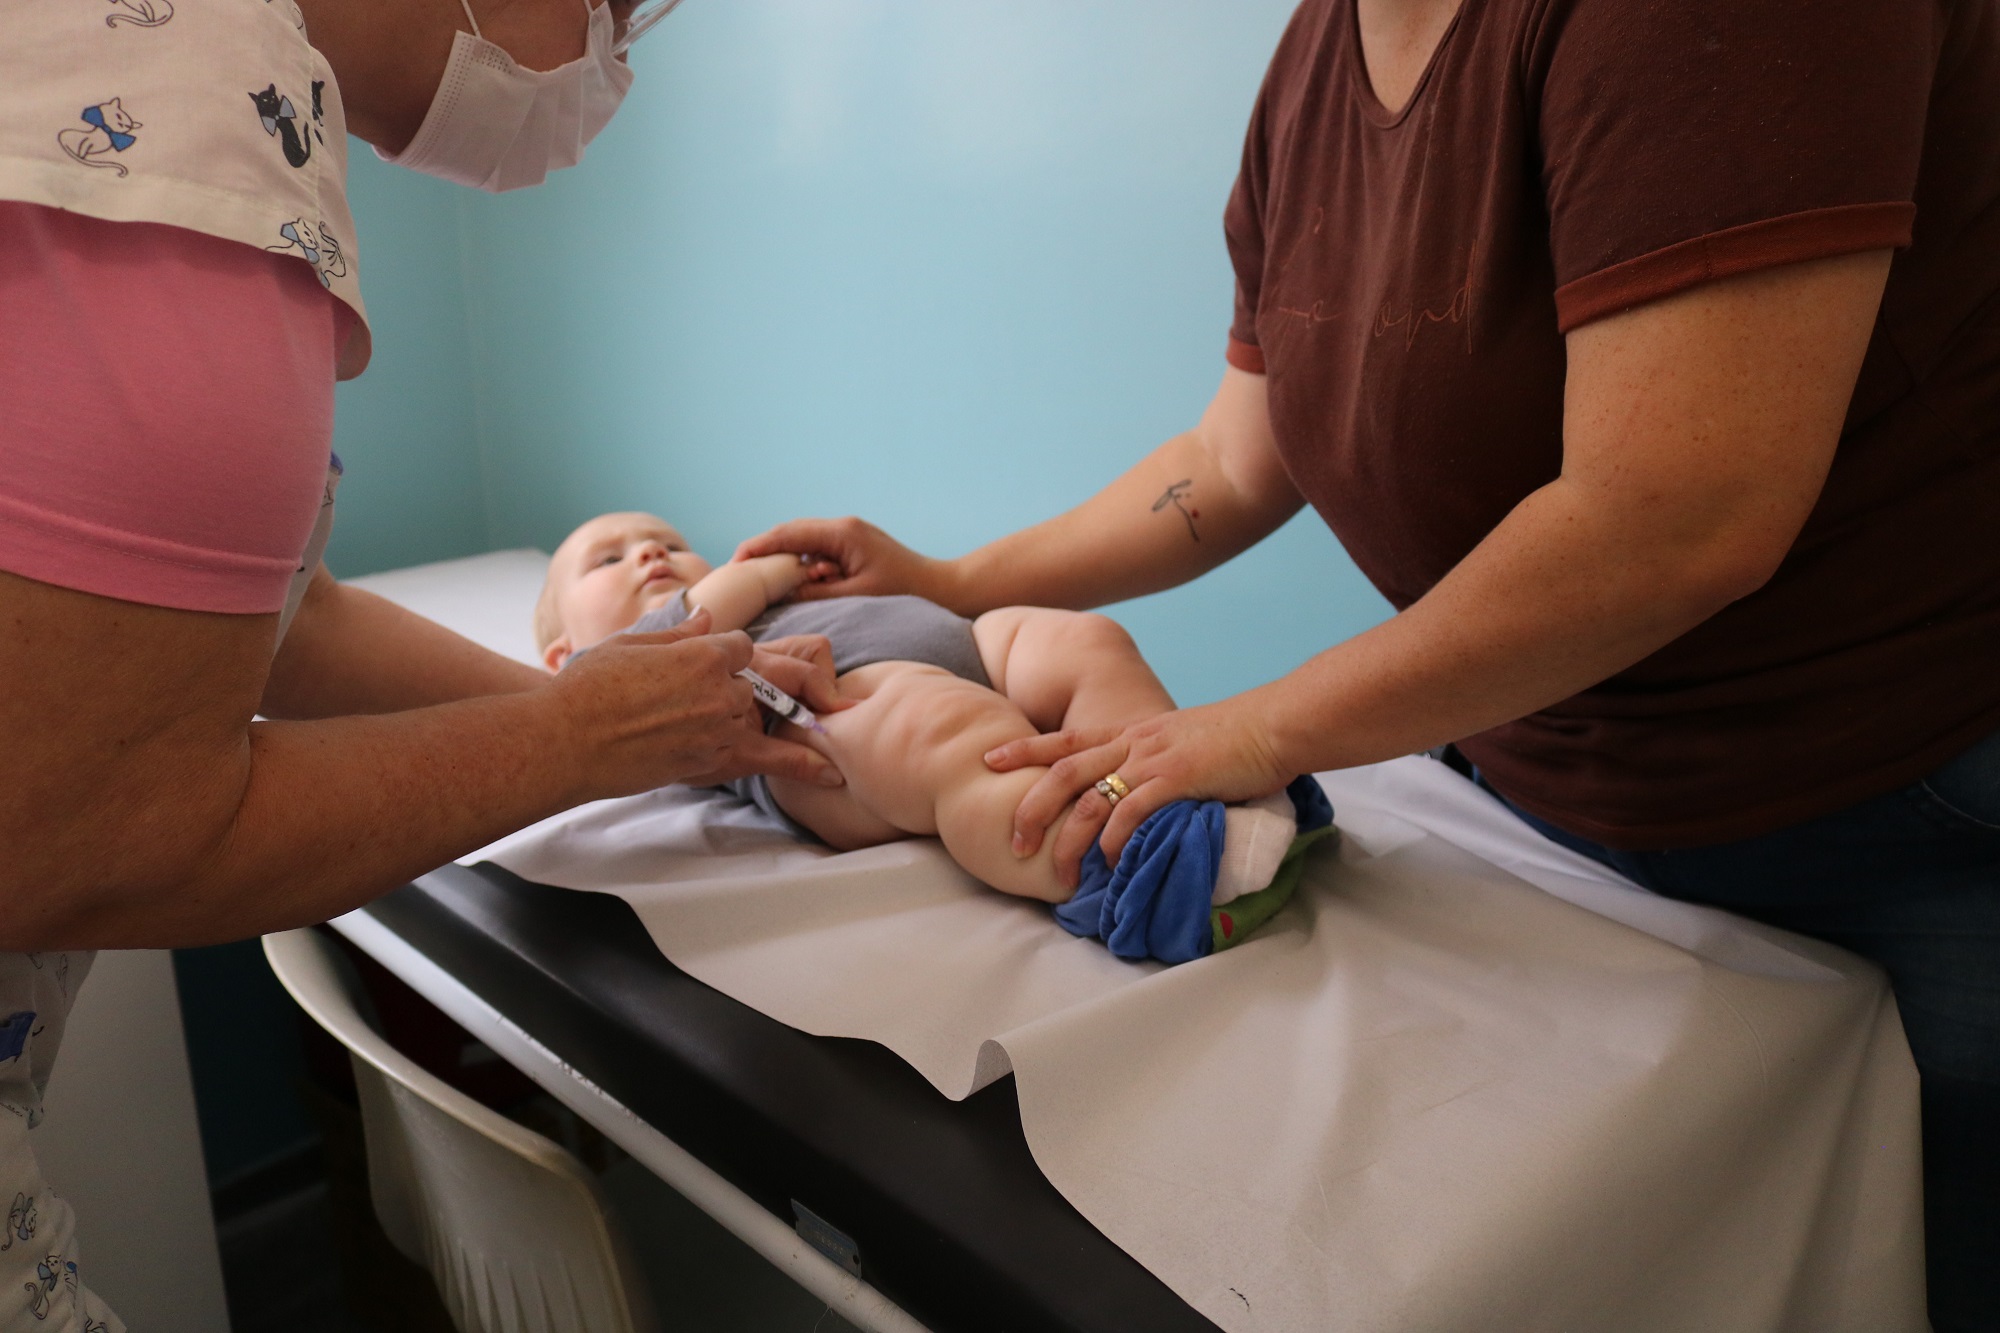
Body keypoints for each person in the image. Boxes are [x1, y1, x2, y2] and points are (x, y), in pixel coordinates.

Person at [738, 0, 2000, 1325]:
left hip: (1903, 794)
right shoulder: (1322, 63)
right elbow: (1229, 462)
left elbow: (1680, 507)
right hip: (1538, 792)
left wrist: (1264, 726)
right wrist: (952, 582)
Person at [0, 0, 837, 1326]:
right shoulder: (178, 138)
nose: (612, 60)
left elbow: (293, 617)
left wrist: (625, 727)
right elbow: (91, 834)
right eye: (621, 12)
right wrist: (584, 737)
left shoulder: (154, 84)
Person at [536, 512, 1309, 917]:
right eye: (608, 560)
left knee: (1087, 638)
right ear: (565, 655)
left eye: (666, 540)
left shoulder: (775, 598)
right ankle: (1132, 866)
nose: (647, 554)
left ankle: (1158, 782)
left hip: (966, 642)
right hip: (830, 713)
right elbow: (706, 614)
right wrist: (764, 571)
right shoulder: (625, 666)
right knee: (947, 736)